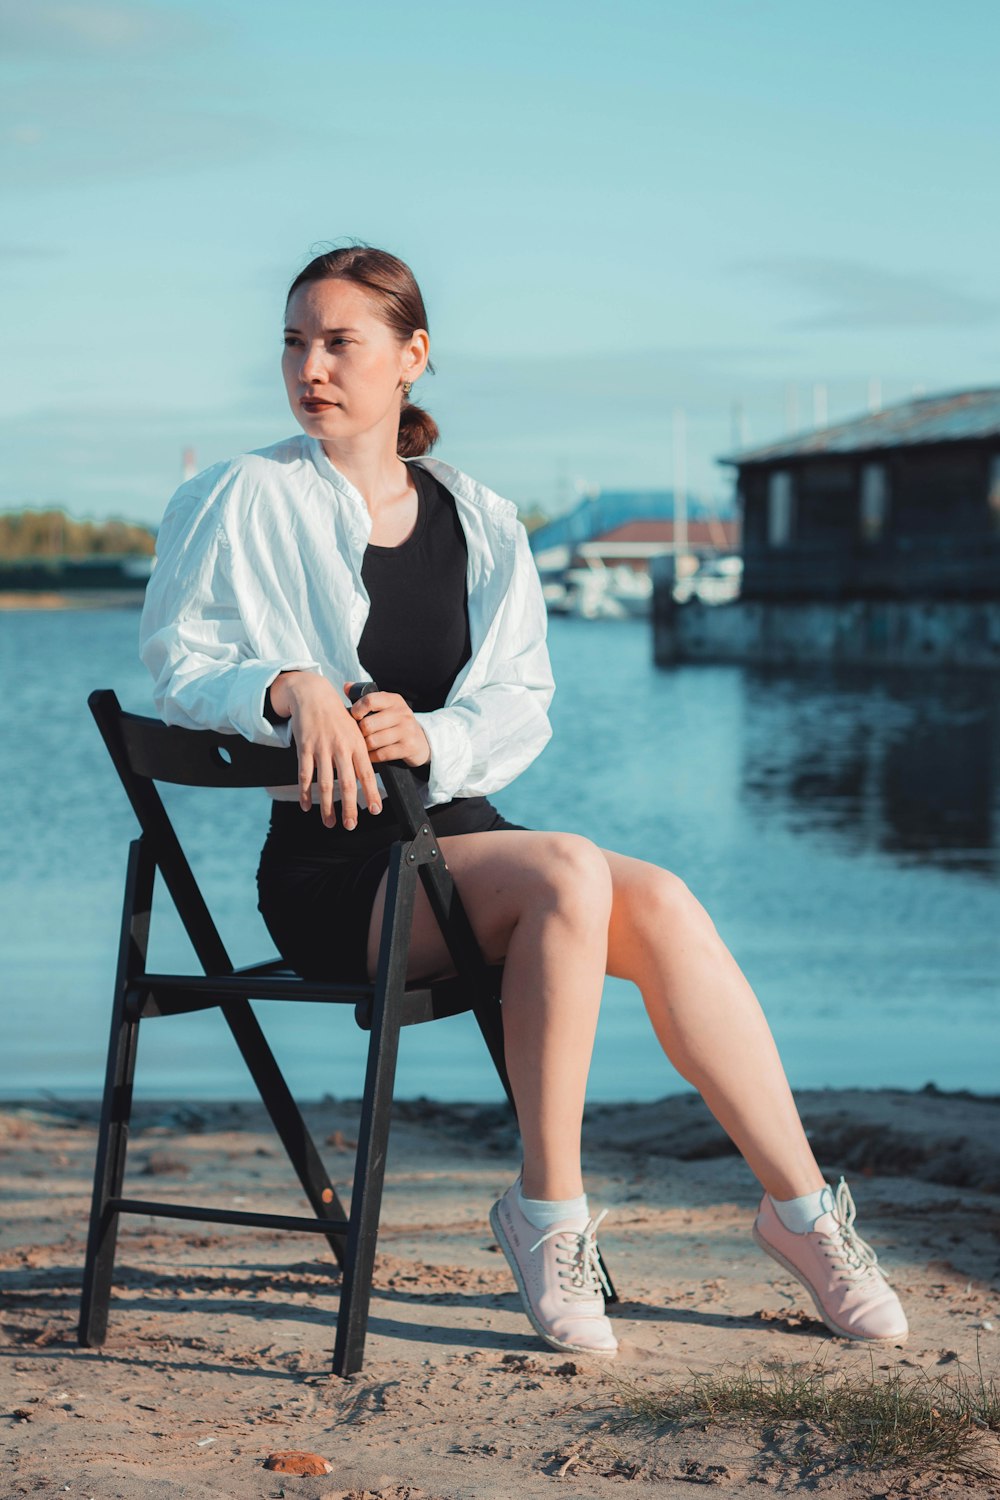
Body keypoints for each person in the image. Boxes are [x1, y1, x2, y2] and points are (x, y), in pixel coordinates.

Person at [139, 244, 909, 1358]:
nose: (310, 367)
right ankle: (547, 1214)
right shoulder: (244, 494)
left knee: (665, 899)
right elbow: (176, 657)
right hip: (337, 876)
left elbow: (520, 702)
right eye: (295, 342)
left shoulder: (481, 517)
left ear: (411, 357)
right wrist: (284, 684)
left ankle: (801, 1217)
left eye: (338, 342)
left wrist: (434, 735)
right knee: (567, 870)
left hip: (466, 849)